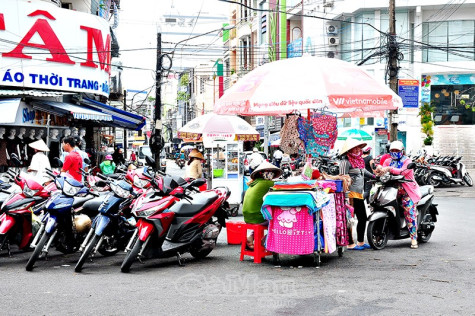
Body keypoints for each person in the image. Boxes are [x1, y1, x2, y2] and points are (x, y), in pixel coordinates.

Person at [376, 141, 421, 249]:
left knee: (409, 212)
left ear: (402, 151)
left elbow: (402, 172)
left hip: (407, 190)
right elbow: (381, 171)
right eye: (392, 151)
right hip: (391, 190)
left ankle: (414, 238)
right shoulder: (387, 161)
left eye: (397, 151)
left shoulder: (407, 161)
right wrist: (379, 169)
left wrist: (389, 169)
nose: (394, 152)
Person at [339, 138, 376, 250]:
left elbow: (363, 172)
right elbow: (342, 178)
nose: (357, 150)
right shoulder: (345, 162)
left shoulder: (359, 161)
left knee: (363, 218)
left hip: (359, 194)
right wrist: (345, 197)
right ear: (349, 150)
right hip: (349, 195)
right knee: (349, 219)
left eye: (359, 148)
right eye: (354, 148)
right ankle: (350, 243)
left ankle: (360, 241)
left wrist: (375, 177)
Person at [242, 161, 282, 249]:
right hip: (257, 217)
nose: (270, 174)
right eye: (268, 172)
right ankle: (263, 242)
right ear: (261, 173)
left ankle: (251, 236)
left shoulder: (254, 183)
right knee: (281, 222)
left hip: (248, 217)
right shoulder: (267, 183)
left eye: (271, 172)